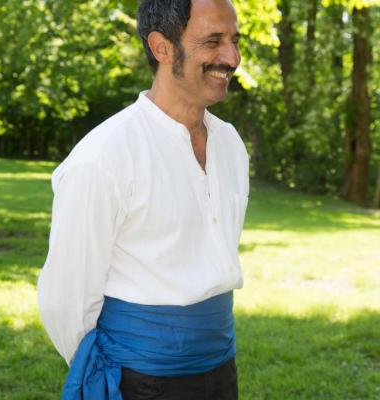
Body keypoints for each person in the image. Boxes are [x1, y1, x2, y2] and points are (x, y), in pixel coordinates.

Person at [38, 0, 249, 399]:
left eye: (235, 41)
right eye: (213, 41)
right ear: (161, 47)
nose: (232, 57)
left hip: (223, 369)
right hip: (139, 380)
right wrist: (120, 373)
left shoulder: (231, 145)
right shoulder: (103, 156)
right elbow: (64, 300)